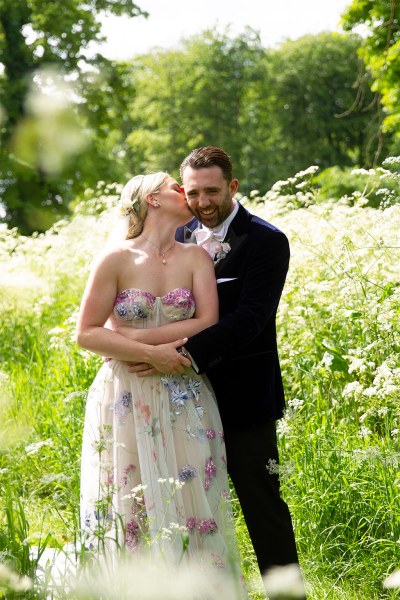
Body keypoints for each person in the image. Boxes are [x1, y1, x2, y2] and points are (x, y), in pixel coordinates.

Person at [129, 147, 303, 589]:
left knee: (263, 506)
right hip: (176, 400)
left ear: (233, 186)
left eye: (212, 191)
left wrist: (183, 357)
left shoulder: (265, 240)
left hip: (243, 399)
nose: (203, 202)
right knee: (183, 506)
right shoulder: (175, 234)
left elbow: (250, 320)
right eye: (193, 193)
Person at [75, 172, 245, 594]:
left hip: (184, 391)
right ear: (152, 199)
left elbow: (207, 321)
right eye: (176, 187)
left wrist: (128, 338)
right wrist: (151, 354)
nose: (186, 194)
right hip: (125, 393)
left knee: (191, 496)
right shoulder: (114, 258)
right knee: (129, 502)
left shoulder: (195, 258)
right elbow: (86, 333)